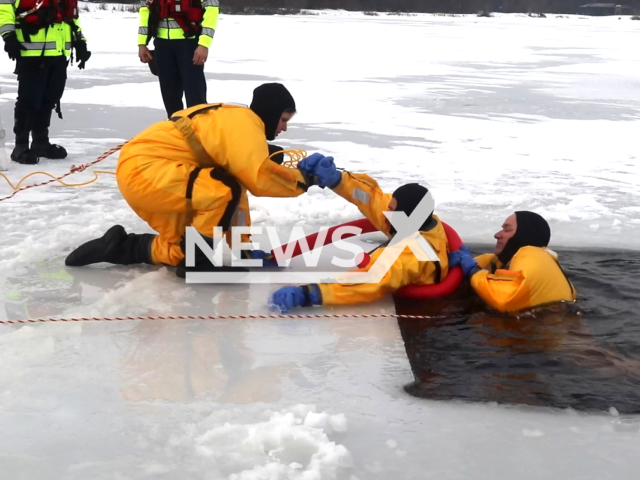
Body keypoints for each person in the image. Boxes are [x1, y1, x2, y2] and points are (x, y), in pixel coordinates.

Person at [64, 83, 322, 277]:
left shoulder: (234, 124)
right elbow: (260, 180)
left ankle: (124, 247)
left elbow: (240, 197)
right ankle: (198, 265)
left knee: (188, 244)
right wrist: (305, 180)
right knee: (222, 191)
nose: (284, 128)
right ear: (271, 112)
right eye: (284, 120)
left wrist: (245, 253)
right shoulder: (245, 125)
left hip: (148, 172)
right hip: (148, 169)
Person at [269, 157, 450, 313]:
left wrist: (309, 294)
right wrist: (337, 179)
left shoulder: (410, 255)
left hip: (418, 309)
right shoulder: (419, 220)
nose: (387, 213)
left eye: (392, 210)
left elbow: (368, 281)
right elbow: (372, 199)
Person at [0, 0, 91, 165]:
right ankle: (20, 146)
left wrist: (80, 41)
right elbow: (4, 9)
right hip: (31, 52)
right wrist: (8, 36)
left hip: (58, 53)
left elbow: (71, 16)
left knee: (49, 98)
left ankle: (40, 143)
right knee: (29, 100)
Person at [448, 211, 577, 313]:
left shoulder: (532, 255)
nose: (497, 235)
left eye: (507, 230)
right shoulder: (523, 260)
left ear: (524, 235)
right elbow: (486, 265)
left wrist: (472, 271)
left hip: (557, 337)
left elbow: (505, 299)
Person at [137, 0, 219, 118]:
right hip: (162, 46)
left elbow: (212, 11)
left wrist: (204, 44)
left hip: (189, 44)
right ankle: (176, 130)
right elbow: (145, 12)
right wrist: (142, 43)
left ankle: (200, 130)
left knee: (195, 97)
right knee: (170, 97)